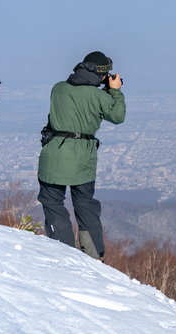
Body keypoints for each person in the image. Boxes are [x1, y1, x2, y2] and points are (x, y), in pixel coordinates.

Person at [37, 51, 125, 260]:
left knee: (52, 202)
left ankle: (62, 251)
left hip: (53, 154)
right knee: (85, 203)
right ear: (102, 74)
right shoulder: (99, 96)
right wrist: (115, 92)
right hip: (82, 158)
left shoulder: (58, 88)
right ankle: (93, 255)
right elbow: (117, 116)